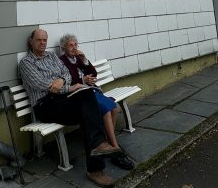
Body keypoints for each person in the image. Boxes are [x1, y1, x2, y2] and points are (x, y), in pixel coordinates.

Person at [19, 29, 119, 187]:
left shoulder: (51, 56)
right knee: (89, 112)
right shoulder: (26, 63)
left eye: (45, 40)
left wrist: (60, 80)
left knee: (87, 95)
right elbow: (42, 85)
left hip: (62, 100)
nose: (43, 43)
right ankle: (98, 157)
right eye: (39, 40)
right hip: (45, 105)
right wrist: (67, 87)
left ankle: (97, 159)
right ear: (31, 41)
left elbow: (66, 73)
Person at [59, 34, 134, 170]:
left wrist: (84, 60)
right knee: (105, 110)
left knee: (114, 108)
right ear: (64, 47)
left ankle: (106, 142)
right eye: (70, 45)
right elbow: (69, 81)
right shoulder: (62, 61)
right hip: (80, 94)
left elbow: (93, 73)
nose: (74, 47)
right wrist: (83, 81)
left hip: (91, 90)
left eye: (75, 45)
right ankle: (115, 148)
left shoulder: (78, 59)